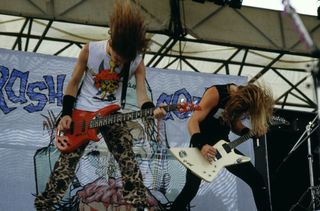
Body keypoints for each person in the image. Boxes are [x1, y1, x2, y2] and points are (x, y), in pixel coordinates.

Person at [34, 0, 165, 210]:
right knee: (66, 164)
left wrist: (151, 111)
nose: (119, 63)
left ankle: (138, 203)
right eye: (116, 58)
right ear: (111, 42)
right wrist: (66, 113)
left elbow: (142, 94)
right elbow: (73, 83)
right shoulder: (90, 50)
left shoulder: (137, 60)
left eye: (124, 61)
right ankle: (45, 204)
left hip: (111, 113)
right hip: (82, 113)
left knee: (127, 156)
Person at [169, 83, 274, 211]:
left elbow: (235, 124)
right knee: (191, 189)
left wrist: (250, 133)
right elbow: (193, 121)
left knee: (257, 181)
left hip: (223, 147)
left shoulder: (240, 103)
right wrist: (202, 146)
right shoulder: (216, 93)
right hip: (201, 144)